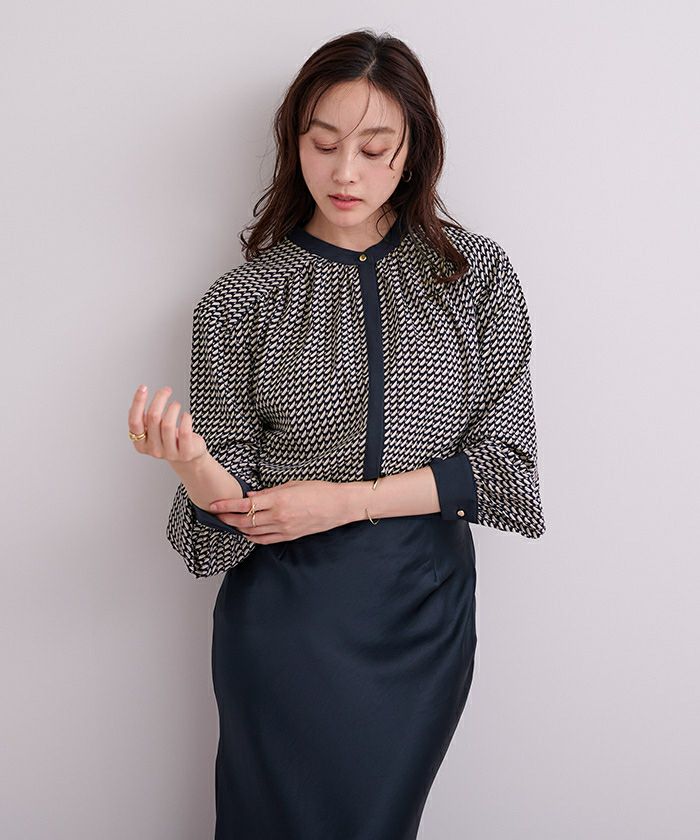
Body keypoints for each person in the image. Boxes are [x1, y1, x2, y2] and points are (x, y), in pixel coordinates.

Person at [128, 28, 545, 840]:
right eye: (323, 145)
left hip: (421, 611)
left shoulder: (475, 276)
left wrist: (347, 502)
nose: (345, 171)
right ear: (295, 144)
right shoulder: (240, 302)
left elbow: (505, 471)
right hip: (285, 621)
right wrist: (194, 466)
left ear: (413, 151)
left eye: (374, 147)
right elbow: (217, 533)